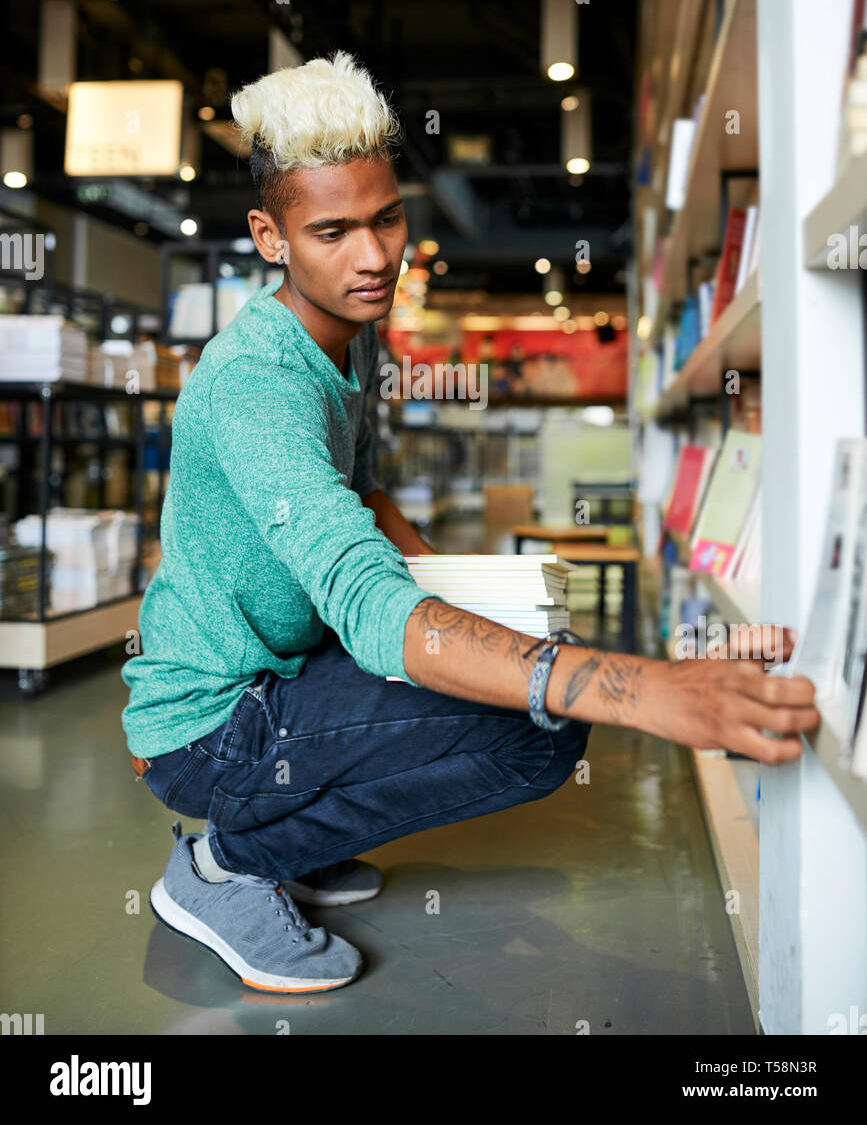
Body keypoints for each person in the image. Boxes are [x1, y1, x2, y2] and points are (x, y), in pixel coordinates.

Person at [122, 51, 818, 996]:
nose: (373, 258)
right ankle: (225, 867)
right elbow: (364, 600)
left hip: (279, 675)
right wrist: (648, 691)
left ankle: (290, 835)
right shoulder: (255, 384)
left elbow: (364, 504)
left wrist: (496, 611)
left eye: (386, 218)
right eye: (331, 231)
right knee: (540, 728)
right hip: (211, 724)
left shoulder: (349, 338)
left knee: (525, 670)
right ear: (269, 236)